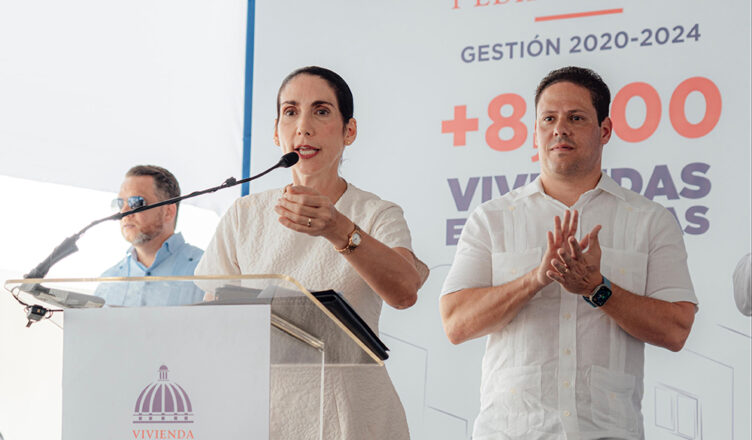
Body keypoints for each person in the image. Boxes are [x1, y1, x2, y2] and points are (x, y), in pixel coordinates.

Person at [439, 66, 698, 439]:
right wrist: (535, 279)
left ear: (604, 130)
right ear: (535, 131)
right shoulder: (492, 219)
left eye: (576, 118)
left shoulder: (649, 220)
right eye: (549, 119)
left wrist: (596, 288)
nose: (560, 129)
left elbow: (676, 329)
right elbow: (455, 324)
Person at [195, 66, 428, 439]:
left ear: (349, 130)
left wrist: (337, 228)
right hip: (263, 413)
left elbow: (404, 291)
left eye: (321, 111)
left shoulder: (377, 213)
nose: (303, 127)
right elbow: (213, 323)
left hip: (354, 414)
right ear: (276, 132)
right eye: (290, 112)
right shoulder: (244, 214)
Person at [95, 165, 205, 306]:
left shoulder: (205, 271)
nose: (124, 212)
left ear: (168, 212)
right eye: (120, 203)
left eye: (136, 202)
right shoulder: (108, 281)